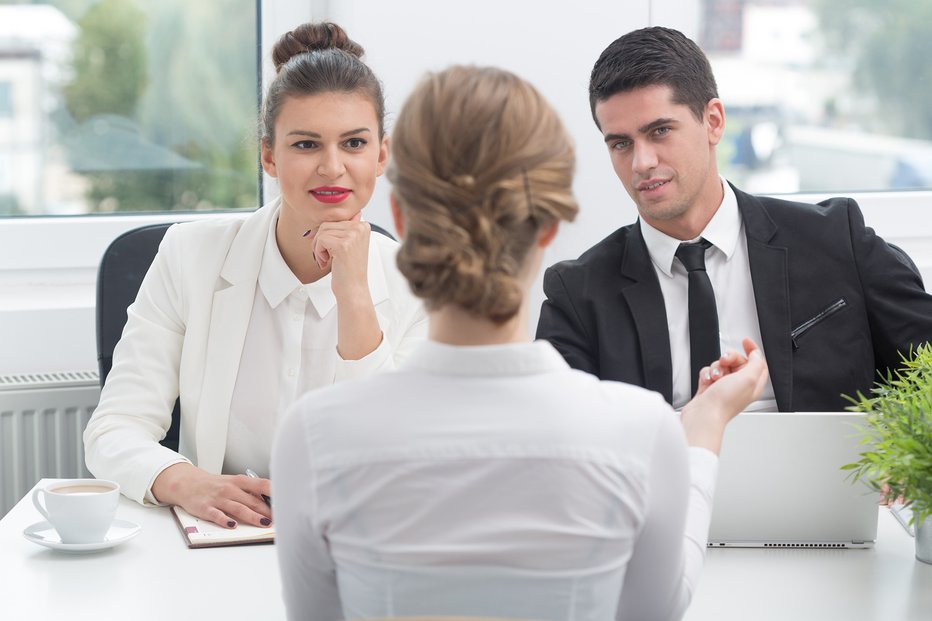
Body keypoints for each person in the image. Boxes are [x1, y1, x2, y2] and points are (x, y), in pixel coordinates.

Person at [272, 65, 768, 621]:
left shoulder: (312, 437)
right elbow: (656, 611)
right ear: (549, 225)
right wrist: (701, 431)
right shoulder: (641, 431)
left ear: (403, 219)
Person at [83, 22, 427, 529]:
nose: (333, 168)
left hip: (353, 544)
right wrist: (187, 481)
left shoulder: (421, 286)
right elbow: (114, 428)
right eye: (306, 145)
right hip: (220, 541)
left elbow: (394, 454)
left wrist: (354, 294)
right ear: (268, 155)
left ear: (381, 155)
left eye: (353, 143)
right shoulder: (189, 255)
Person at [536, 26, 932, 413]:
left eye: (659, 131)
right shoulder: (577, 293)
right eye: (620, 144)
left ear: (713, 121)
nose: (642, 163)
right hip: (667, 477)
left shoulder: (836, 239)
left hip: (827, 479)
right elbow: (561, 449)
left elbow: (926, 370)